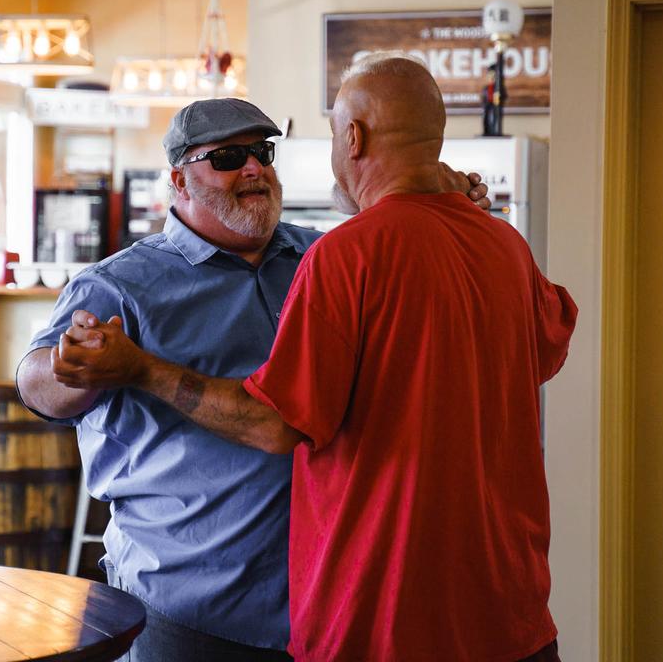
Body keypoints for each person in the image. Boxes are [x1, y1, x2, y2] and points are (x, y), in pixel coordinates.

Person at [53, 56, 577, 662]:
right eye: (229, 157)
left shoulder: (337, 255)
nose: (254, 168)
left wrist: (143, 369)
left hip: (387, 612)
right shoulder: (504, 244)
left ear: (353, 137)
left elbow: (278, 422)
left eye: (263, 153)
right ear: (180, 180)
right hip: (505, 604)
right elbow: (541, 350)